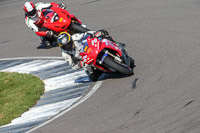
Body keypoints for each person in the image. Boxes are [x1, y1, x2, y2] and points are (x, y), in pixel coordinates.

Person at [57, 29, 129, 81]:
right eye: (65, 46)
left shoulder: (75, 37)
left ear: (71, 40)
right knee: (93, 77)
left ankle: (115, 43)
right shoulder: (65, 54)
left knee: (103, 35)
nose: (68, 47)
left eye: (69, 44)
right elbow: (73, 66)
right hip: (86, 61)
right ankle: (103, 70)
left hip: (91, 49)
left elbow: (86, 34)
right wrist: (81, 64)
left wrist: (95, 33)